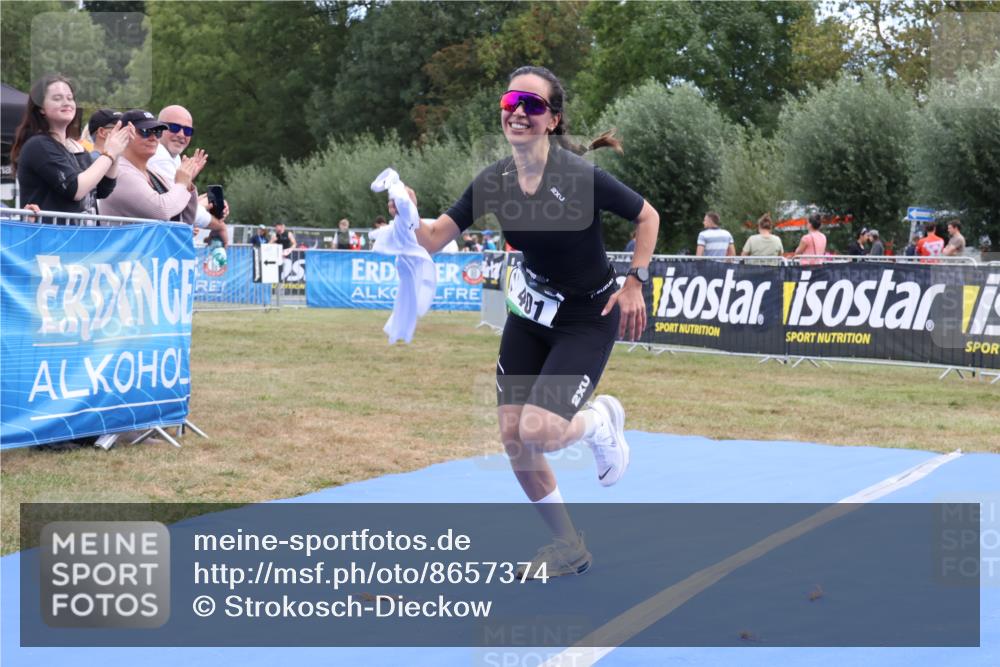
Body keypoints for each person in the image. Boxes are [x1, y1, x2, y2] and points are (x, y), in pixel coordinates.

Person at [387, 65, 659, 578]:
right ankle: (568, 547)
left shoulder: (580, 178)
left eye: (533, 105)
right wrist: (406, 214)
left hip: (586, 317)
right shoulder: (494, 182)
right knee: (515, 438)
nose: (518, 111)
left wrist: (635, 282)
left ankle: (601, 422)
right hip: (530, 314)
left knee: (542, 429)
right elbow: (432, 238)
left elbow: (649, 217)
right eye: (512, 100)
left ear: (552, 120)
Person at [11, 75, 132, 224]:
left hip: (82, 240)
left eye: (70, 98)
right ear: (41, 108)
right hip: (53, 242)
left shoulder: (76, 147)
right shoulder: (39, 145)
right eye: (57, 98)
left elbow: (103, 189)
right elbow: (75, 190)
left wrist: (116, 153)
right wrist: (109, 154)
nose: (66, 103)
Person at [99, 110, 205, 223]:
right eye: (145, 131)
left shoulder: (152, 173)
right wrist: (181, 184)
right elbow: (162, 211)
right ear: (125, 134)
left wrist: (187, 184)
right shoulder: (121, 173)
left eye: (158, 132)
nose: (153, 138)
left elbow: (183, 219)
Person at [147, 104, 229, 245]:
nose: (181, 135)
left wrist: (203, 199)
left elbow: (177, 200)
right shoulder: (158, 155)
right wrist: (219, 225)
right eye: (174, 128)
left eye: (187, 130)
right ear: (159, 128)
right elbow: (180, 208)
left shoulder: (174, 157)